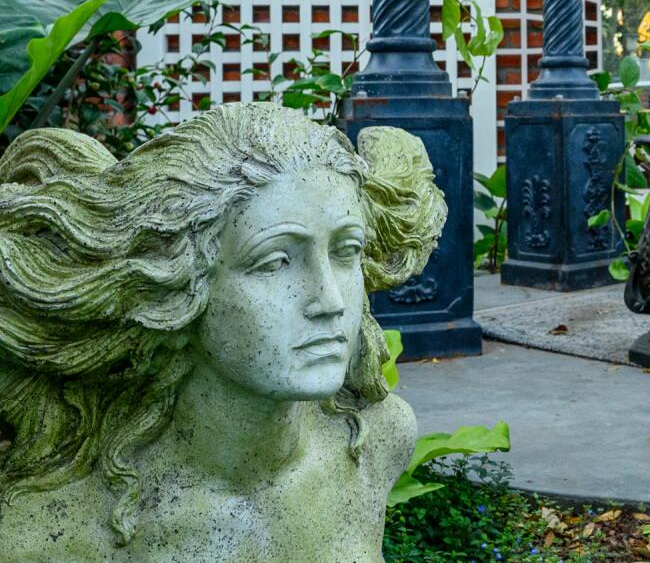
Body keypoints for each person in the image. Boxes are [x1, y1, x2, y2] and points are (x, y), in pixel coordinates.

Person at [0, 103, 445, 562]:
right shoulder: (56, 524)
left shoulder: (378, 442)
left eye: (345, 251)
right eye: (275, 262)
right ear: (179, 283)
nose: (329, 300)